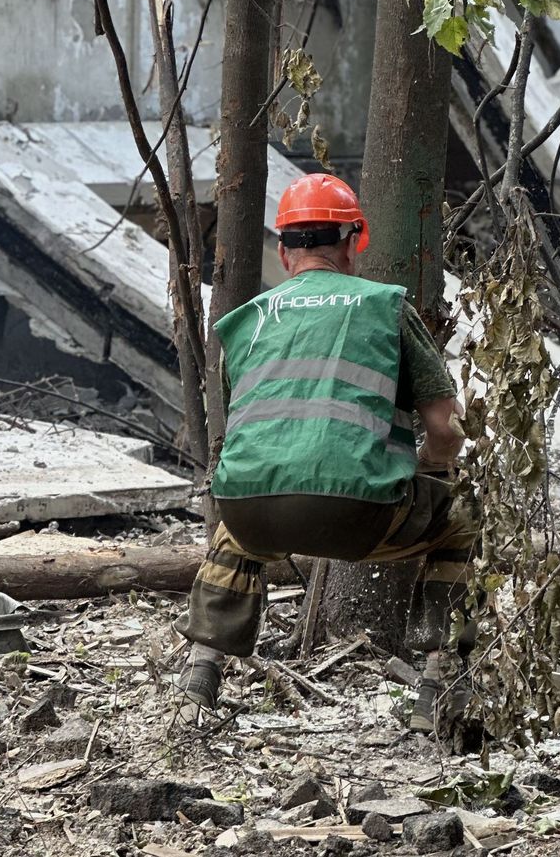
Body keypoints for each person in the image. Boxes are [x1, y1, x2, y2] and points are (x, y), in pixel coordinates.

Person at [174, 173, 477, 730]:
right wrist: (432, 469)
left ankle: (198, 686)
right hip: (359, 517)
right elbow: (446, 427)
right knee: (463, 518)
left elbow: (247, 426)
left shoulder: (243, 321)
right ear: (352, 241)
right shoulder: (384, 305)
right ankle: (439, 687)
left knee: (230, 534)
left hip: (251, 515)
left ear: (284, 251)